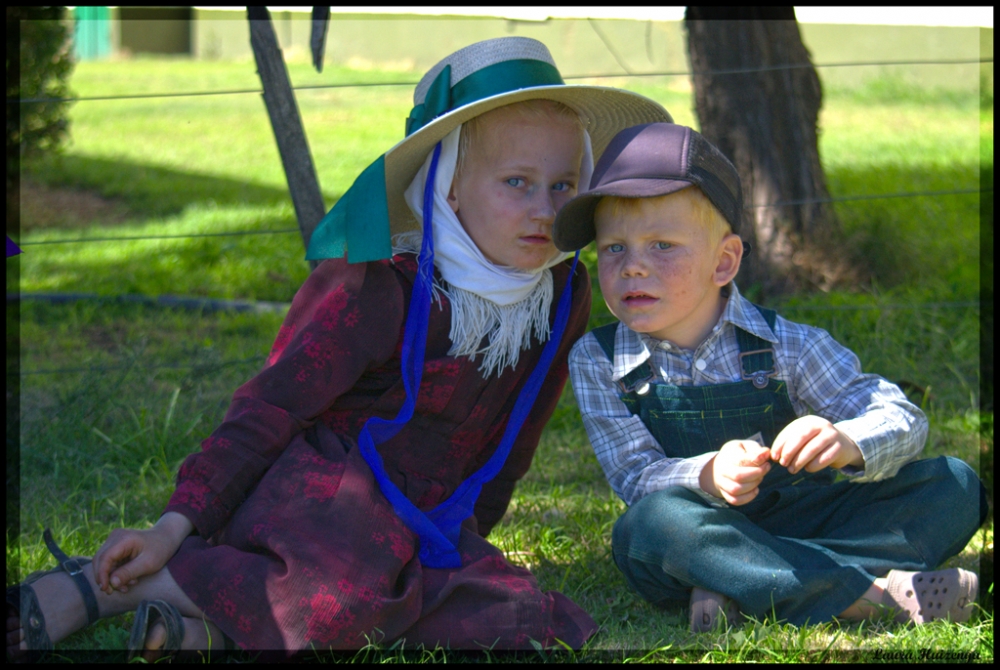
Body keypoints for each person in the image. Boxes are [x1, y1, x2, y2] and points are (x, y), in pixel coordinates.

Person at [6, 38, 672, 659]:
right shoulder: (379, 283)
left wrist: (471, 540)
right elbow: (268, 406)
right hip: (320, 497)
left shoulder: (562, 291)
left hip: (422, 518)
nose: (542, 210)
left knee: (524, 619)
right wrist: (174, 525)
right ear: (449, 186)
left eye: (562, 186)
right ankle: (113, 586)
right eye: (516, 183)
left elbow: (514, 440)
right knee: (344, 598)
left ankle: (202, 627)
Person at [554, 122, 987, 633]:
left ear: (724, 261)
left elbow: (901, 416)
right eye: (613, 249)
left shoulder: (787, 344)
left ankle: (741, 586)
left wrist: (847, 439)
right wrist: (708, 473)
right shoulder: (597, 359)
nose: (632, 267)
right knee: (646, 527)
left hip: (807, 518)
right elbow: (634, 475)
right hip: (700, 531)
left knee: (956, 485)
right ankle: (872, 598)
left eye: (662, 245)